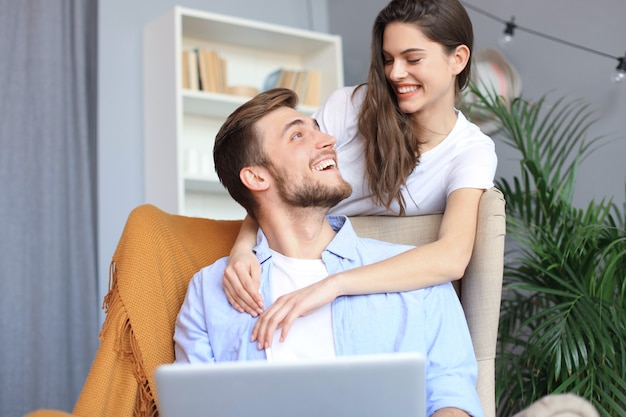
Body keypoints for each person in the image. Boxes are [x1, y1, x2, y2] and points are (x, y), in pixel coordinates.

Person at [174, 88, 484, 417]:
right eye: (297, 135)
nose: (328, 139)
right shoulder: (209, 293)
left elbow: (452, 391)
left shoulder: (419, 275)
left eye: (316, 128)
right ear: (256, 176)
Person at [222, 0, 497, 349]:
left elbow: (452, 256)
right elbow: (280, 179)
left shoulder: (471, 150)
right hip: (294, 262)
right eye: (388, 59)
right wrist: (243, 248)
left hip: (368, 287)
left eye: (413, 59)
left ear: (458, 59)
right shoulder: (350, 106)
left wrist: (334, 284)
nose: (395, 73)